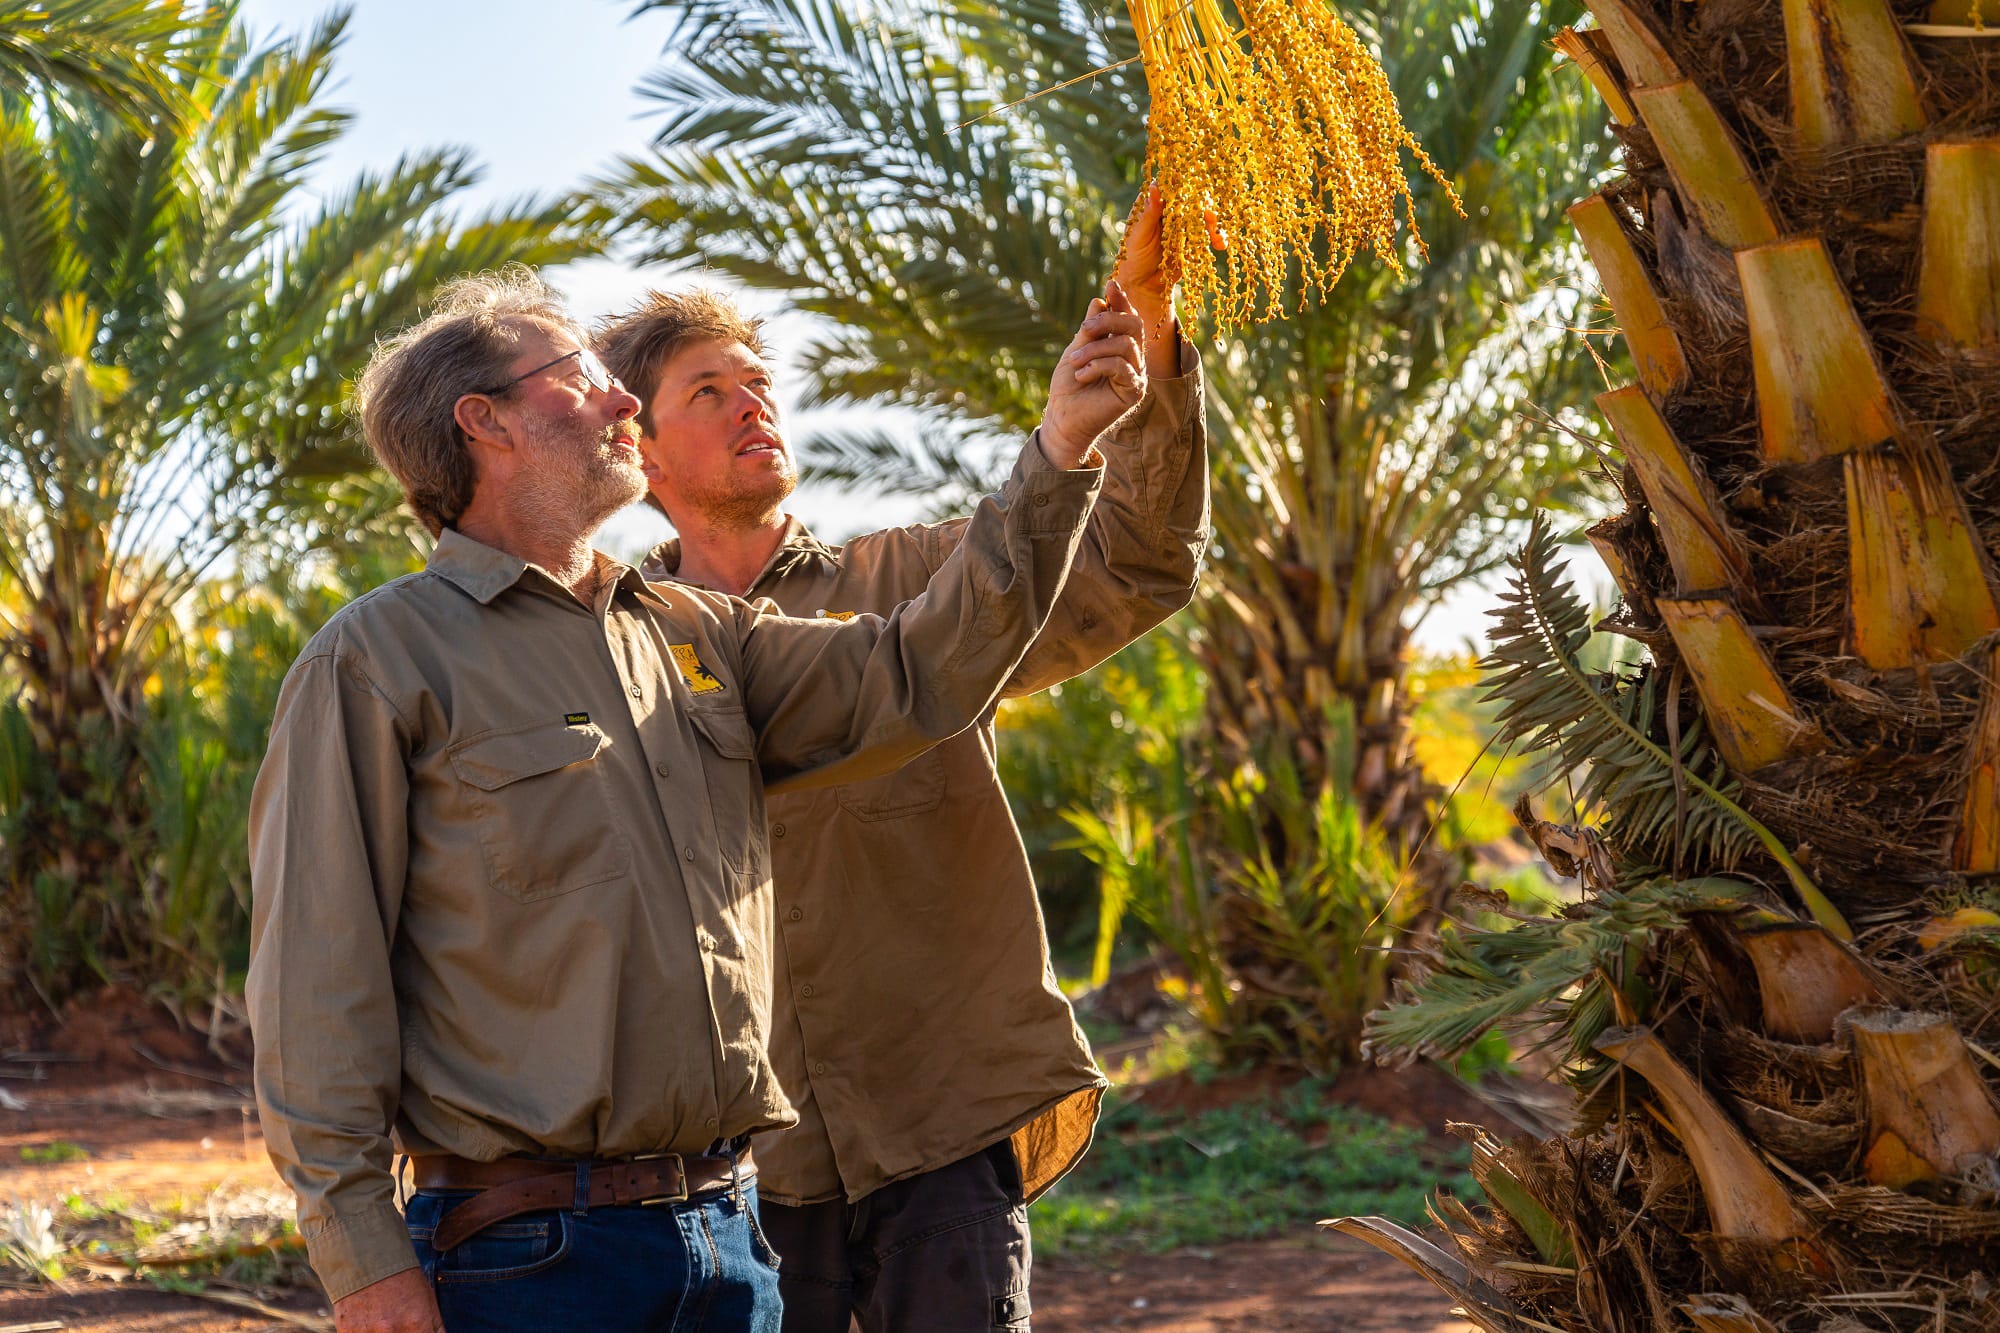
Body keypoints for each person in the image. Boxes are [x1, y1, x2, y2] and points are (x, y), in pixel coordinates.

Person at [246, 264, 1152, 1332]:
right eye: (581, 377)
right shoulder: (377, 657)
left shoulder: (692, 631)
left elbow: (923, 671)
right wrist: (363, 1264)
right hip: (531, 1261)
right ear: (483, 422)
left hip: (730, 1239)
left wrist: (1056, 452)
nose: (624, 400)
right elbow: (316, 985)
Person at [596, 188, 1206, 1330]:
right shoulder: (613, 645)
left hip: (941, 1126)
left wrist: (1150, 336)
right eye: (709, 393)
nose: (751, 410)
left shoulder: (923, 584)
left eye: (760, 386)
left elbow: (1137, 561)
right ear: (635, 441)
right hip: (740, 1159)